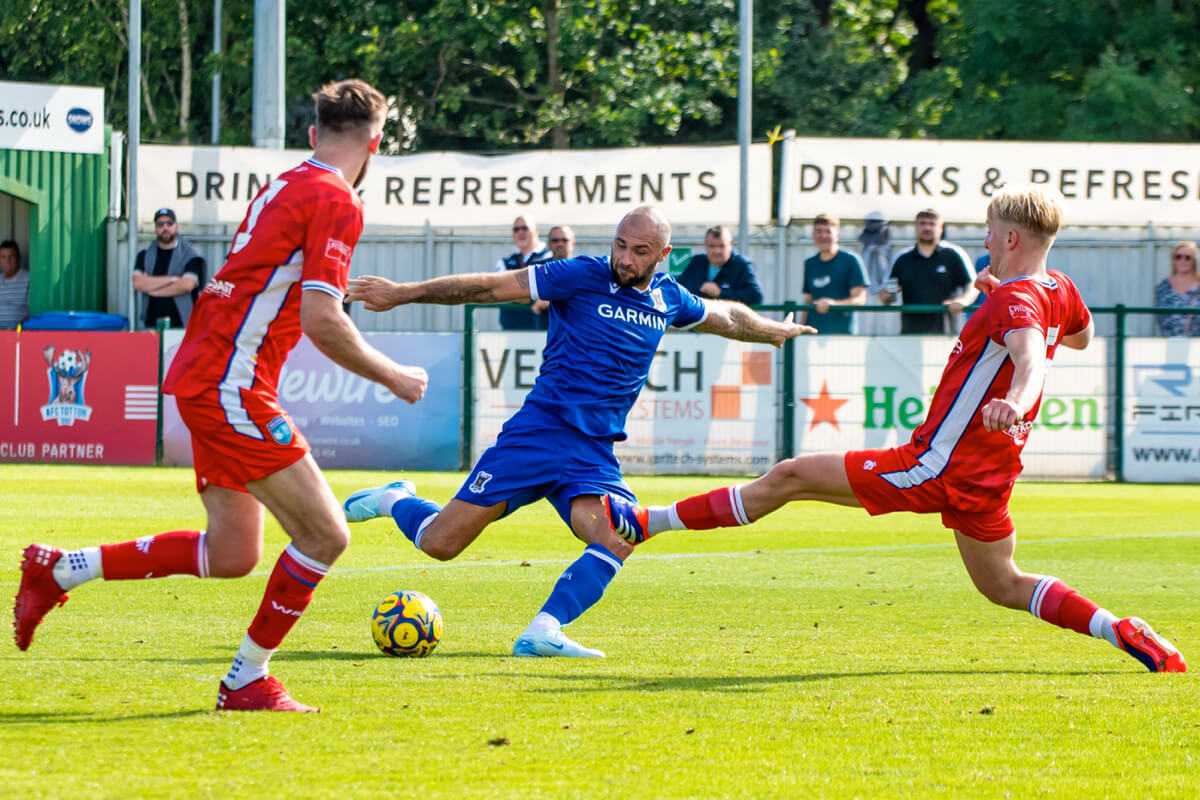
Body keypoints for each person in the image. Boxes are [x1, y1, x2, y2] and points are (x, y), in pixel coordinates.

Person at [604, 186, 1186, 675]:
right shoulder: (1059, 290)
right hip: (990, 474)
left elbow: (1030, 354)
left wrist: (1014, 393)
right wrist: (999, 314)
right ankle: (1119, 628)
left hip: (935, 465)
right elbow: (1077, 337)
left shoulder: (1016, 300)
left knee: (790, 475)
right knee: (1003, 584)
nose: (984, 241)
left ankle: (645, 523)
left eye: (989, 230)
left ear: (1010, 239)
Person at [13, 79, 430, 712]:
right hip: (228, 383)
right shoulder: (338, 199)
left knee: (234, 553)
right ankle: (244, 681)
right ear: (376, 143)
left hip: (206, 372)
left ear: (314, 135)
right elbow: (323, 318)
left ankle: (60, 568)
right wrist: (393, 375)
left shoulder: (287, 182)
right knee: (326, 536)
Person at [342, 205, 814, 658]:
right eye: (621, 245)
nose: (626, 258)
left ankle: (543, 630)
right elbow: (489, 287)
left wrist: (772, 329)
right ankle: (393, 498)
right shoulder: (579, 274)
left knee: (619, 536)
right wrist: (403, 292)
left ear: (665, 255)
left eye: (641, 250)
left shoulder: (668, 297)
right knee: (440, 544)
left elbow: (728, 316)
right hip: (540, 434)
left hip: (593, 453)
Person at [881, 209, 976, 334]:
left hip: (945, 333)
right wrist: (886, 297)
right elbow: (888, 292)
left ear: (941, 227)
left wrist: (963, 300)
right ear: (915, 226)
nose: (927, 228)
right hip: (909, 333)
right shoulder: (902, 258)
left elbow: (973, 285)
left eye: (932, 224)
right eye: (922, 223)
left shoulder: (953, 254)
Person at [132, 208, 207, 329]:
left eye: (169, 223)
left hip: (183, 326)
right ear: (156, 228)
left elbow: (186, 285)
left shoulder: (190, 255)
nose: (165, 227)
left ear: (176, 226)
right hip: (151, 325)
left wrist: (152, 289)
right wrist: (172, 279)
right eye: (160, 224)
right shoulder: (144, 255)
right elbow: (138, 283)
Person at [801, 214, 867, 334]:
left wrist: (833, 304)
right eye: (819, 231)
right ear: (813, 235)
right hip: (813, 334)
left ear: (837, 235)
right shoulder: (810, 263)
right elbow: (808, 298)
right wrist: (801, 329)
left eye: (828, 231)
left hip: (843, 335)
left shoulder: (851, 260)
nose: (823, 236)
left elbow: (860, 299)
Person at [676, 225, 763, 306]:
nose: (717, 251)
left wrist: (720, 293)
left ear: (730, 244)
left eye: (721, 246)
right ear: (705, 245)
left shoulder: (742, 265)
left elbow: (755, 296)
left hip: (731, 320)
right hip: (699, 320)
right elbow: (679, 289)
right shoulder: (697, 262)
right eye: (712, 246)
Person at [496, 214, 554, 330]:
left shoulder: (551, 257)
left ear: (536, 230)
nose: (520, 232)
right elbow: (500, 291)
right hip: (511, 331)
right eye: (516, 229)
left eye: (525, 228)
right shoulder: (505, 261)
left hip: (544, 331)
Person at [1154, 240, 1200, 337]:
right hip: (1169, 344)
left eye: (1187, 258)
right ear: (1173, 259)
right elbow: (1160, 318)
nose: (1182, 261)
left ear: (1194, 261)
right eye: (1178, 257)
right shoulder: (1163, 288)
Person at [0, 240, 30, 329]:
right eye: (3, 257)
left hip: (19, 332)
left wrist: (15, 329)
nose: (7, 261)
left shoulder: (28, 278)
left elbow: (33, 312)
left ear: (19, 258)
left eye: (11, 257)